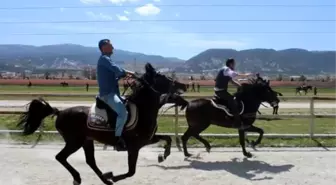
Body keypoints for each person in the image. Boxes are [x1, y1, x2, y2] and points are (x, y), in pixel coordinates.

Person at [96, 39, 135, 150]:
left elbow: (115, 72)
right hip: (108, 94)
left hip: (113, 93)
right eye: (111, 46)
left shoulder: (106, 60)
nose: (113, 48)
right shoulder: (104, 59)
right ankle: (117, 140)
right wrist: (128, 73)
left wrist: (124, 74)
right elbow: (116, 69)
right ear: (104, 48)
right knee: (123, 112)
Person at [214, 58, 253, 129]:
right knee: (232, 100)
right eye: (234, 64)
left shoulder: (226, 70)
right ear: (231, 64)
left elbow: (232, 81)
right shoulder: (227, 69)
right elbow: (234, 74)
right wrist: (245, 75)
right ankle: (237, 121)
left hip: (221, 90)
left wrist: (240, 86)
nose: (235, 65)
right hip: (220, 91)